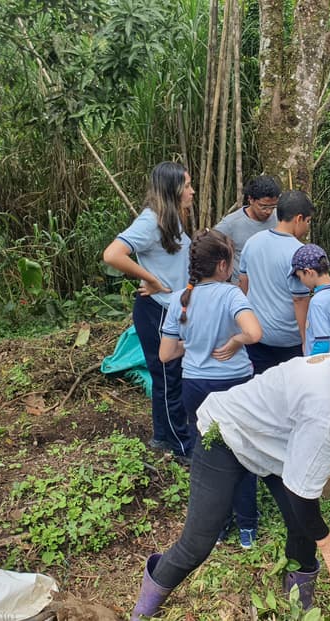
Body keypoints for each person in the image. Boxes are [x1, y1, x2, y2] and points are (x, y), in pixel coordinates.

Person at [128, 335, 330, 619]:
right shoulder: (323, 409)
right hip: (227, 435)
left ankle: (298, 606)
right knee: (198, 542)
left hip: (273, 443)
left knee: (303, 527)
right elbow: (301, 493)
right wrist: (328, 545)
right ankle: (143, 610)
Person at [159, 229, 263, 548]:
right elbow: (254, 333)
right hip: (233, 385)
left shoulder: (180, 299)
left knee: (206, 457)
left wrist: (193, 347)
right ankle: (247, 527)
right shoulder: (231, 295)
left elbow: (166, 353)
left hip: (195, 386)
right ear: (222, 265)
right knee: (241, 451)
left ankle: (216, 527)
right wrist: (234, 340)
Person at [103, 162, 194, 461]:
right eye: (187, 186)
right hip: (156, 310)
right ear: (173, 190)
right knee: (169, 376)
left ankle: (161, 437)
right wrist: (152, 279)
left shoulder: (171, 219)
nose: (192, 192)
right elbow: (113, 254)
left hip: (170, 310)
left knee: (165, 375)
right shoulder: (150, 221)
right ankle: (182, 447)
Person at [239, 190, 313, 374]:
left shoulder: (253, 242)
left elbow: (243, 283)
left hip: (257, 334)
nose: (308, 227)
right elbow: (300, 300)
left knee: (261, 390)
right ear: (299, 219)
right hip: (288, 340)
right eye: (308, 221)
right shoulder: (299, 252)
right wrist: (306, 340)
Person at [214, 175, 281, 285]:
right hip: (242, 290)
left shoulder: (279, 218)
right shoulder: (231, 223)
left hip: (271, 288)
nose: (268, 212)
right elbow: (208, 246)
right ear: (250, 199)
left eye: (272, 207)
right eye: (263, 206)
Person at [292, 244, 330, 356]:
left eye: (300, 277)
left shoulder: (318, 302)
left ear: (309, 272)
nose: (301, 282)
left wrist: (310, 366)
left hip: (324, 366)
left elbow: (322, 344)